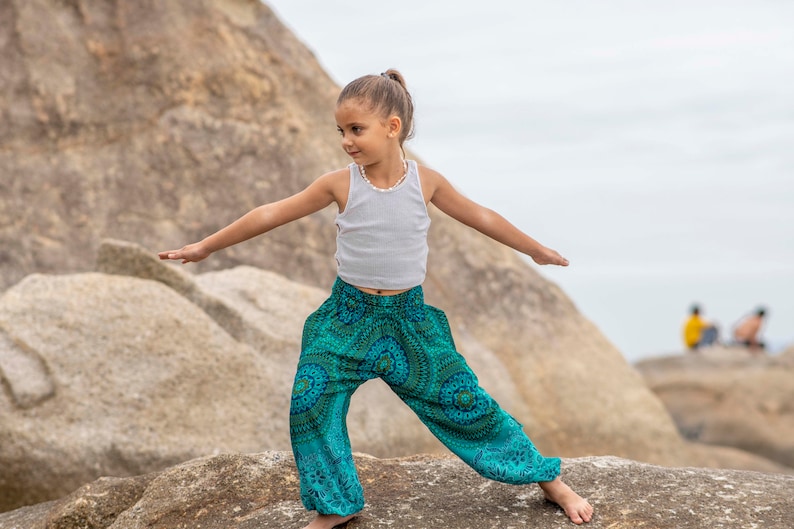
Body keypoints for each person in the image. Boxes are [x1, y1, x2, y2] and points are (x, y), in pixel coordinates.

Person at [159, 69, 593, 528]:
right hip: (348, 319)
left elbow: (481, 216)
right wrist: (205, 246)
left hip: (409, 323)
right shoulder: (339, 184)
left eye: (356, 130)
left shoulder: (426, 183)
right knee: (312, 400)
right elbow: (271, 213)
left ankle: (550, 481)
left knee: (465, 402)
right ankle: (336, 505)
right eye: (341, 131)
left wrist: (535, 250)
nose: (347, 140)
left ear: (392, 127)